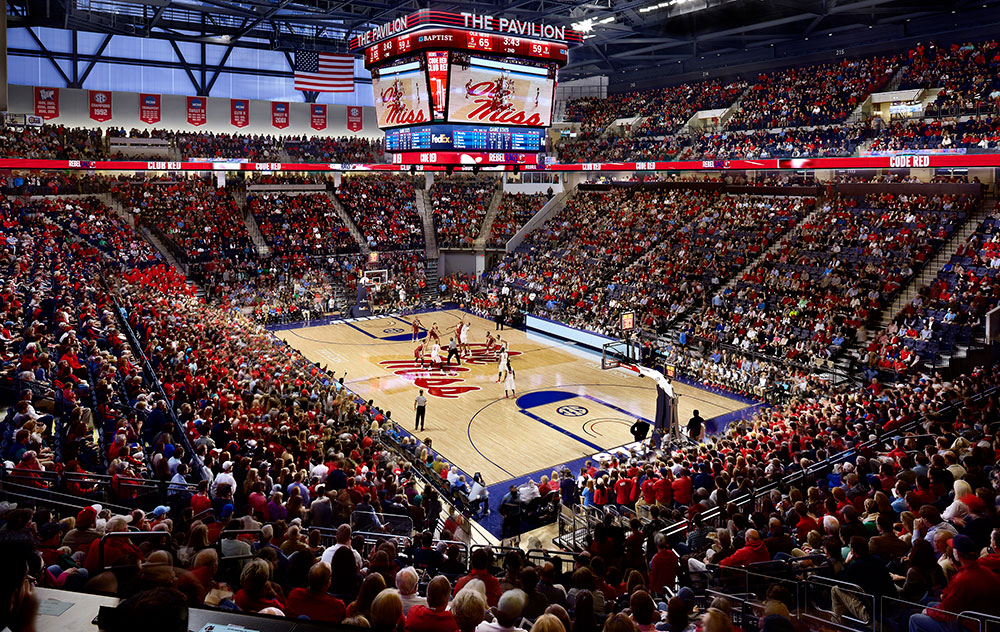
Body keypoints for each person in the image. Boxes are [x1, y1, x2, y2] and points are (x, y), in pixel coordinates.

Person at [908, 534, 1000, 632]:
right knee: (930, 604)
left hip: (969, 626)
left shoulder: (962, 579)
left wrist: (928, 612)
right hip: (985, 620)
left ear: (957, 553)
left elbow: (947, 612)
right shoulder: (986, 571)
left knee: (915, 619)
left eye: (953, 548)